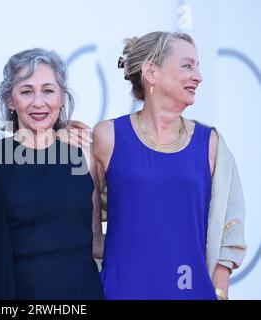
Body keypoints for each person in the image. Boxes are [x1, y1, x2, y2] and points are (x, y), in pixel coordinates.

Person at [93, 31, 246, 300]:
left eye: (198, 68)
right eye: (187, 66)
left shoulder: (211, 144)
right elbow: (82, 223)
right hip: (121, 291)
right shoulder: (107, 137)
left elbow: (230, 232)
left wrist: (219, 293)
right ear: (151, 72)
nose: (197, 76)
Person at [0, 48, 104, 299]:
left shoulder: (85, 156)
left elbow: (96, 240)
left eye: (48, 90)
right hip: (15, 293)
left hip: (81, 293)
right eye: (26, 91)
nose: (38, 102)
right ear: (10, 100)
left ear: (62, 96)